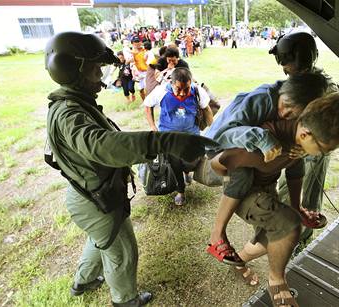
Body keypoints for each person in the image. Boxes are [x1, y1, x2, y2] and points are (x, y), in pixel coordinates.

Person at [44, 31, 216, 307]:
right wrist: (165, 141)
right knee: (122, 251)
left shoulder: (72, 105)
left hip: (90, 196)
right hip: (96, 200)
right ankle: (125, 300)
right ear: (75, 70)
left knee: (102, 238)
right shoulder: (69, 114)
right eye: (95, 68)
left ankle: (84, 281)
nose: (101, 76)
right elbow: (102, 145)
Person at [211, 93, 339, 307]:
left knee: (273, 240)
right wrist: (264, 161)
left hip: (267, 188)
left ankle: (239, 260)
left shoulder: (299, 141)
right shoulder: (267, 139)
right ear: (306, 134)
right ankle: (276, 280)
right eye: (325, 150)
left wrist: (297, 207)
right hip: (242, 192)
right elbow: (220, 164)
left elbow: (295, 169)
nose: (321, 155)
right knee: (288, 226)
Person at [205, 73, 328, 265]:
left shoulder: (294, 116)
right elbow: (223, 135)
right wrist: (261, 138)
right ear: (283, 90)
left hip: (252, 153)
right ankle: (217, 234)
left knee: (290, 160)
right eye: (285, 105)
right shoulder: (261, 99)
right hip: (220, 147)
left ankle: (246, 254)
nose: (285, 114)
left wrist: (300, 150)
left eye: (293, 114)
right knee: (243, 174)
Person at [269, 31, 339, 240]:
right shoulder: (300, 82)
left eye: (286, 63)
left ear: (300, 60)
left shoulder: (325, 89)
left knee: (306, 196)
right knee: (289, 194)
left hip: (312, 152)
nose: (283, 68)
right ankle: (286, 232)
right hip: (297, 152)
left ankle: (294, 236)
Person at [143, 68, 214, 205]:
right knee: (174, 162)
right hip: (169, 136)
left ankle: (187, 172)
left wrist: (213, 129)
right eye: (178, 89)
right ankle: (180, 190)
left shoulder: (197, 91)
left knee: (190, 161)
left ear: (190, 84)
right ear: (171, 83)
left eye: (186, 89)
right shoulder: (161, 91)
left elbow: (207, 109)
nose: (182, 93)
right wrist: (153, 126)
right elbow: (147, 106)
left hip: (191, 135)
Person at [130, 36, 148, 101]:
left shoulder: (145, 50)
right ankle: (144, 101)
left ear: (140, 42)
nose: (137, 44)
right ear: (132, 43)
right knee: (140, 90)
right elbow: (131, 64)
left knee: (147, 88)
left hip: (146, 71)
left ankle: (148, 102)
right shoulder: (131, 52)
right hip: (138, 73)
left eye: (138, 42)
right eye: (135, 42)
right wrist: (134, 74)